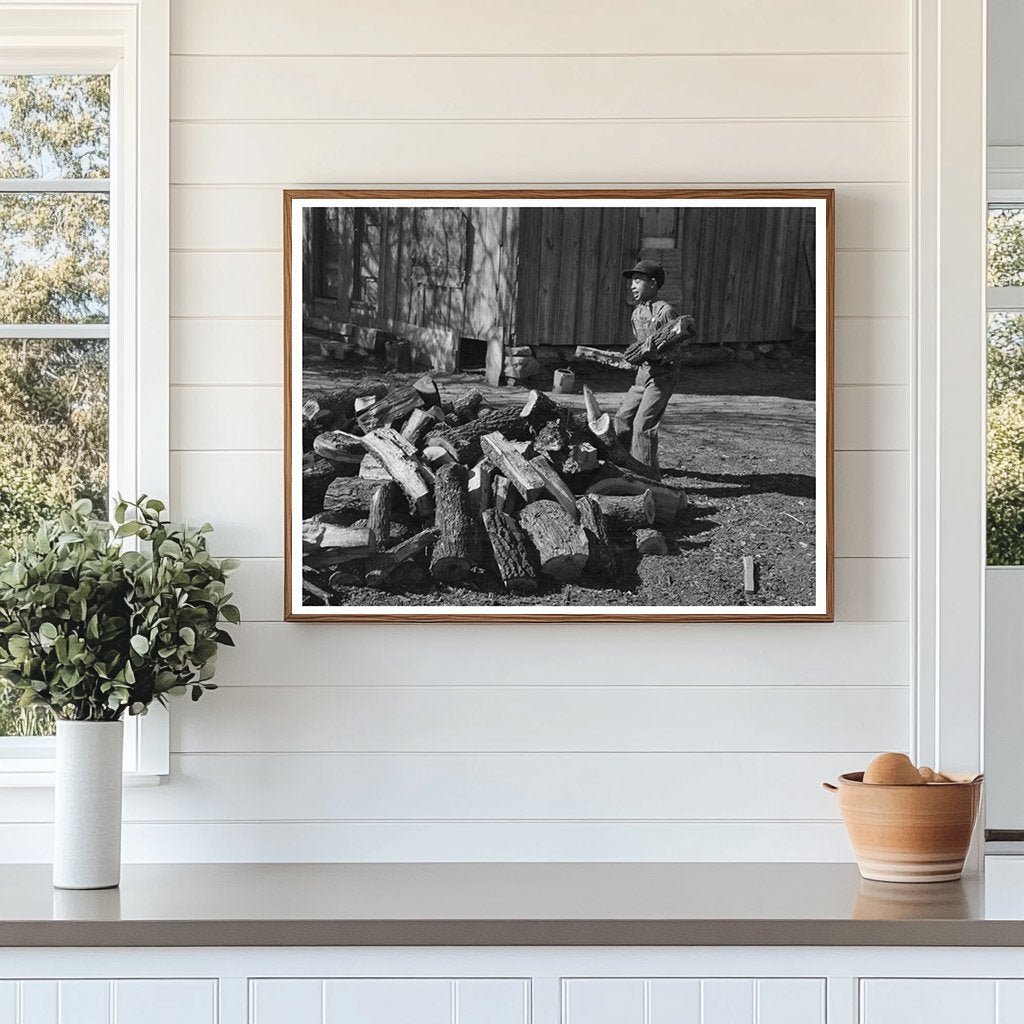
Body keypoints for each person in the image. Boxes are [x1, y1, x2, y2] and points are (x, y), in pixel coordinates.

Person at [613, 259, 696, 476]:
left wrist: (657, 357)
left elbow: (677, 351)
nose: (632, 286)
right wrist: (639, 357)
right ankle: (621, 466)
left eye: (638, 281)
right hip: (642, 375)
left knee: (643, 426)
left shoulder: (666, 311)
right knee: (622, 419)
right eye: (632, 281)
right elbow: (640, 347)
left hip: (663, 376)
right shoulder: (637, 313)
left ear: (652, 283)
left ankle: (648, 476)